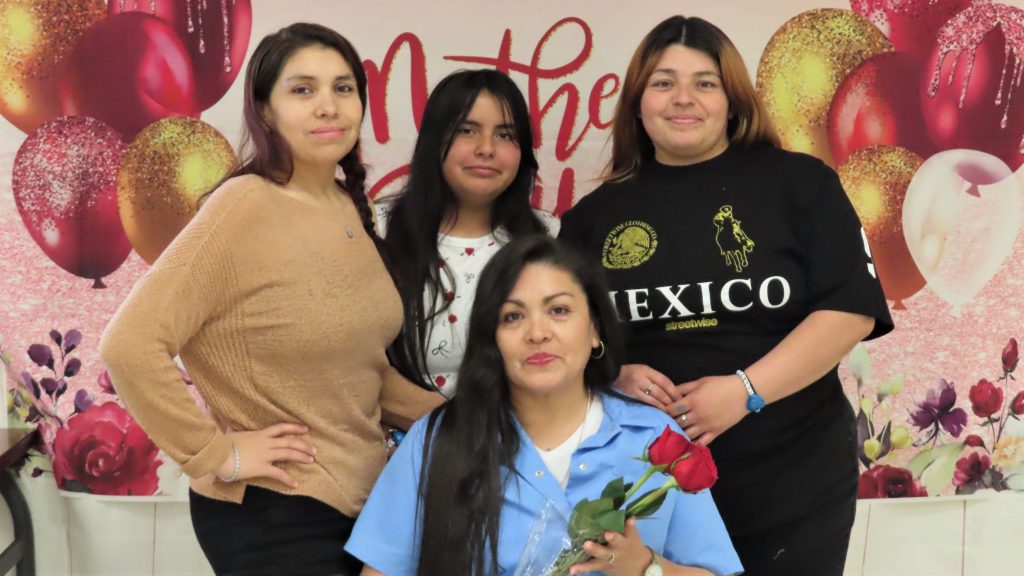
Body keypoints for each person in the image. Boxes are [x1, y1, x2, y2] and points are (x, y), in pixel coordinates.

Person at [100, 23, 443, 575]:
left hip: (363, 499)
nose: (328, 106)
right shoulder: (245, 206)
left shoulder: (348, 207)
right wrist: (216, 455)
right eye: (303, 90)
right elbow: (129, 344)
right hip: (276, 507)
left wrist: (472, 419)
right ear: (265, 110)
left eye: (344, 88)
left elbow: (364, 373)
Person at [558, 15, 894, 576]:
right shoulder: (592, 220)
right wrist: (611, 372)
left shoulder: (801, 184)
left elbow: (849, 311)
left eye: (704, 82)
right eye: (663, 82)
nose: (683, 98)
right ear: (638, 103)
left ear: (733, 101)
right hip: (653, 489)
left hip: (793, 479)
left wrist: (745, 391)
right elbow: (568, 336)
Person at [345, 236, 743, 576]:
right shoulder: (435, 441)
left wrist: (643, 566)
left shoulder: (655, 437)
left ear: (594, 330)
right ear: (492, 340)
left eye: (559, 310)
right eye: (513, 316)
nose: (537, 333)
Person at [378, 69, 558, 397]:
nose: (486, 149)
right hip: (400, 438)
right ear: (434, 140)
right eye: (466, 130)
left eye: (505, 135)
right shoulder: (378, 231)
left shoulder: (549, 237)